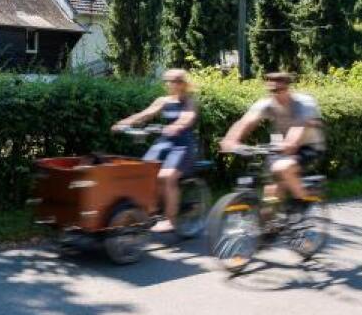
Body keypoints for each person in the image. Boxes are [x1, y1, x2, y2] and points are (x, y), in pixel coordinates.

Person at [220, 72, 325, 211]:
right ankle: (273, 219)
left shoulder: (303, 104)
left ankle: (302, 199)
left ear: (288, 88)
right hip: (282, 148)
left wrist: (289, 143)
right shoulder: (267, 103)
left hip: (308, 147)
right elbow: (245, 122)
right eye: (271, 91)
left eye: (279, 90)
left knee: (282, 167)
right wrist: (230, 140)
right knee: (269, 203)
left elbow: (299, 127)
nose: (275, 94)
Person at [112, 69, 198, 233]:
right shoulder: (163, 100)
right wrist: (124, 123)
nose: (168, 84)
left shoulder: (189, 101)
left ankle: (170, 220)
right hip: (164, 142)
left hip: (182, 145)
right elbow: (145, 114)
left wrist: (177, 126)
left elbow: (187, 117)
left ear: (182, 84)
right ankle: (149, 211)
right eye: (166, 81)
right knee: (143, 172)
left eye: (173, 81)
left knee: (166, 177)